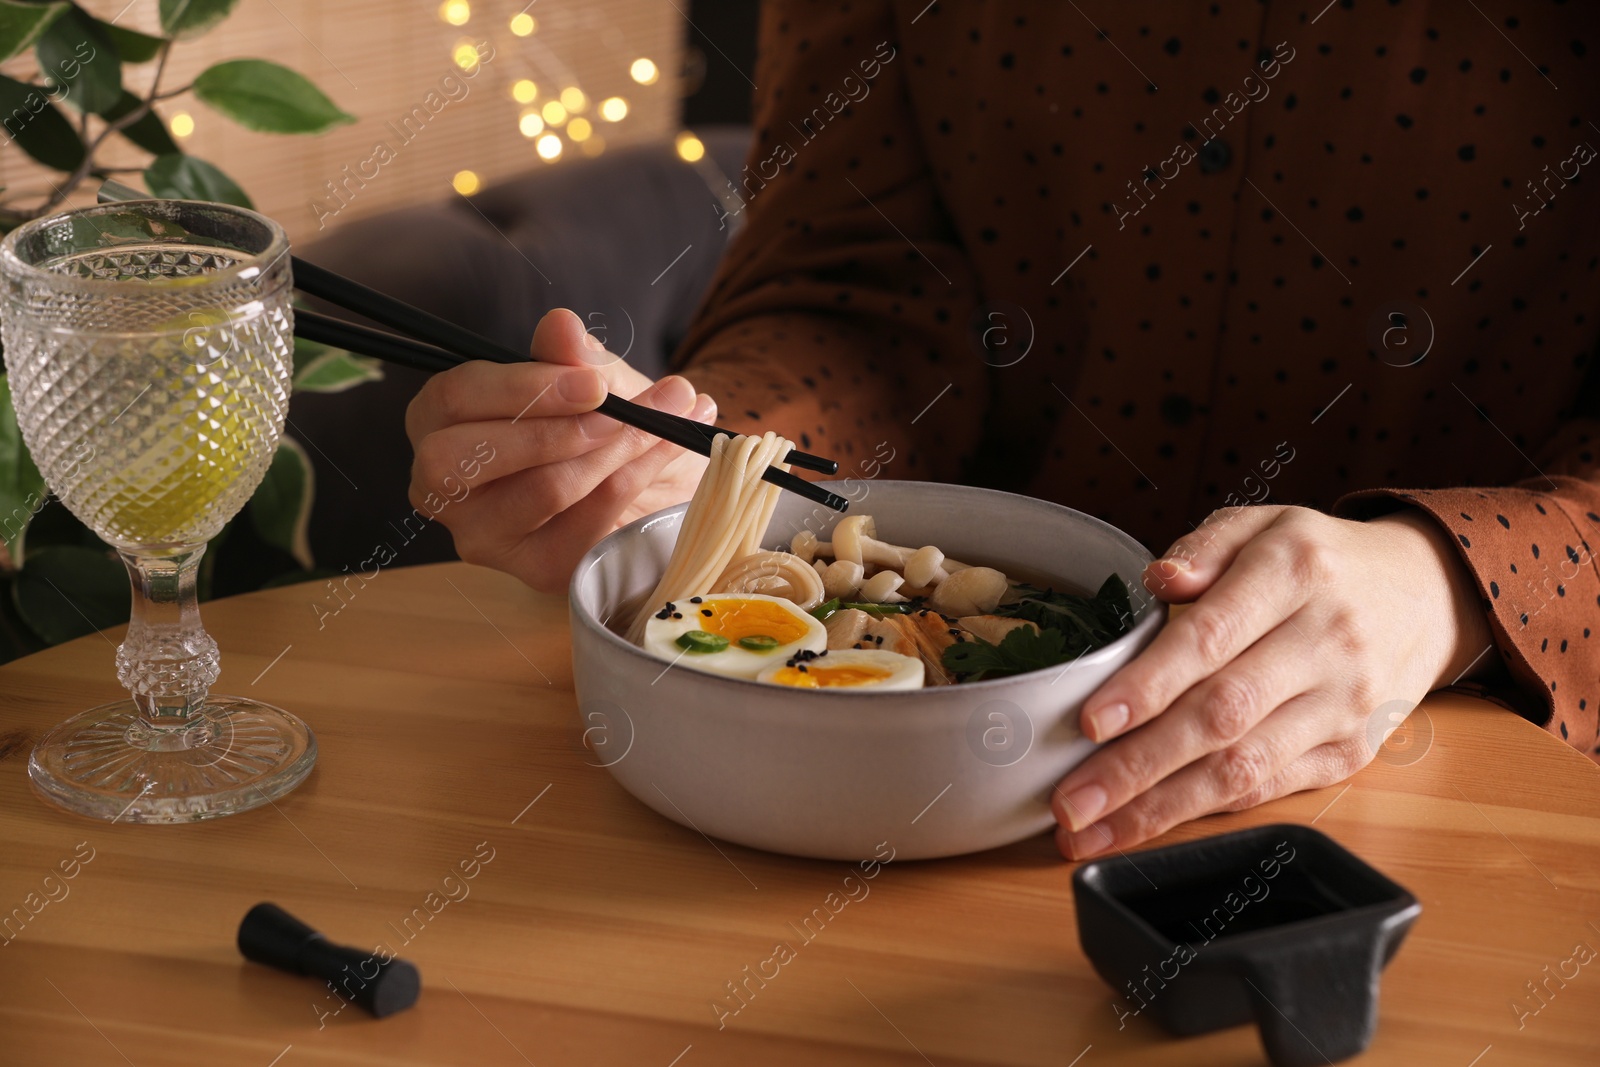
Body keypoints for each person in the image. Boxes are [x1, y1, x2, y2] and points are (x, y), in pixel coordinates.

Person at [406, 2, 1600, 860]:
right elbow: (851, 286)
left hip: (1452, 777)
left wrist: (1441, 581)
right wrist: (702, 463)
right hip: (915, 783)